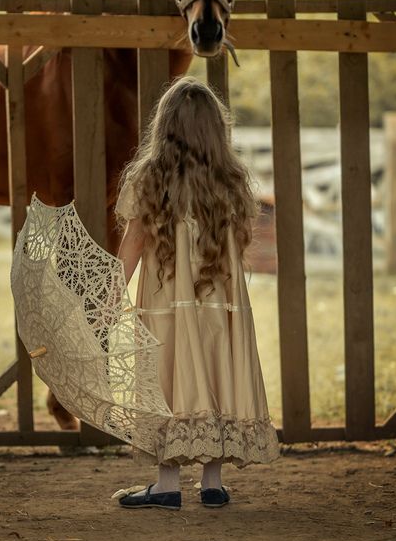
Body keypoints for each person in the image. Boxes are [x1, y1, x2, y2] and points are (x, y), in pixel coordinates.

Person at [113, 76, 279, 510]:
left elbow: (132, 245)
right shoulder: (231, 181)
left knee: (169, 379)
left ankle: (167, 486)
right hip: (220, 307)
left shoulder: (149, 179)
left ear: (163, 127)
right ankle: (212, 483)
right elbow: (241, 244)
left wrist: (109, 296)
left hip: (167, 307)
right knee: (216, 374)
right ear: (216, 130)